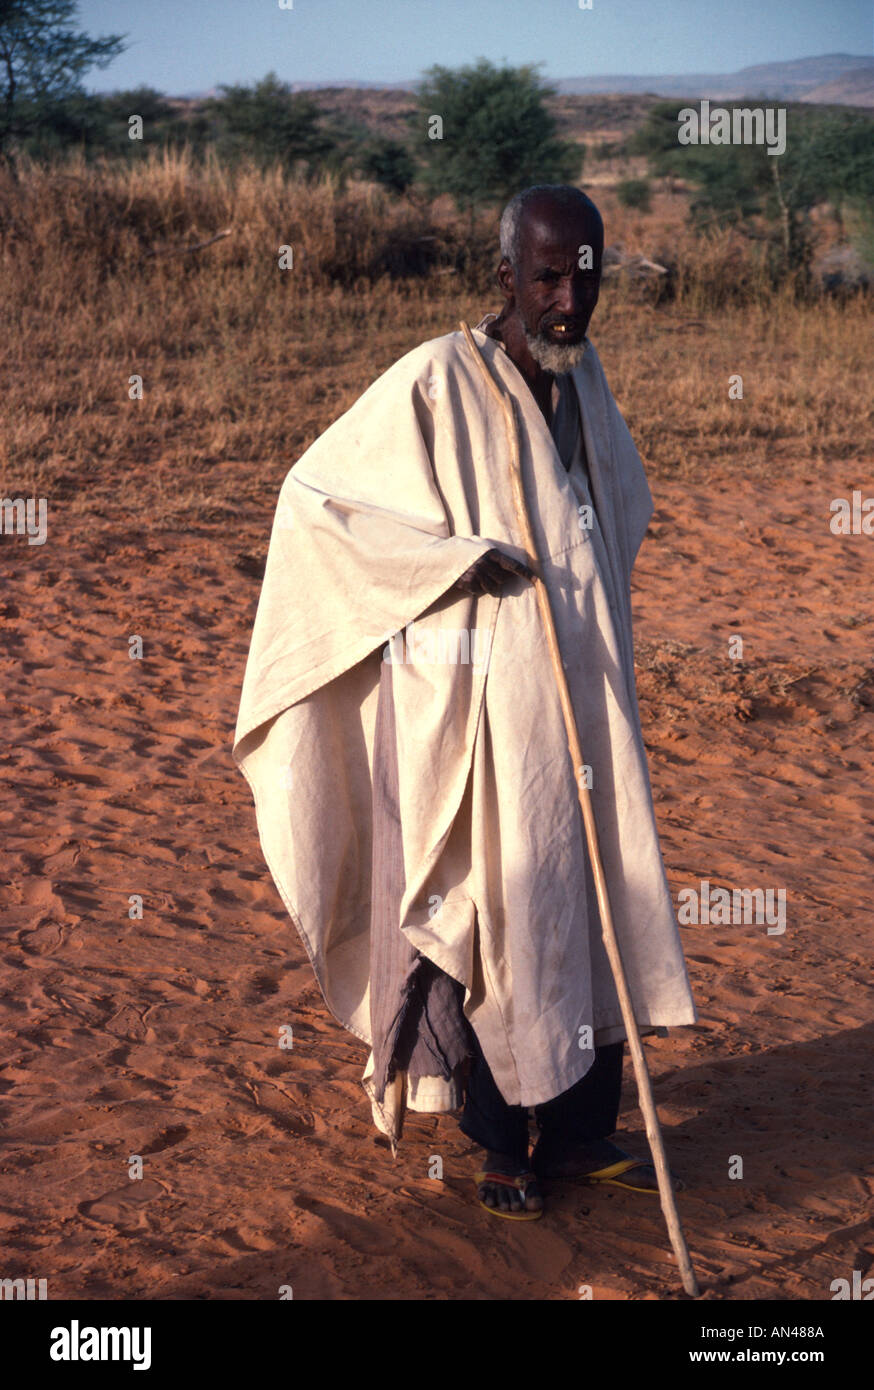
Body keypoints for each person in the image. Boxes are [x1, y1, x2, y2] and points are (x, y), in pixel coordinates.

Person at [233, 184, 697, 1223]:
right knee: (496, 899)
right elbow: (318, 503)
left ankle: (578, 1131)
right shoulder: (434, 381)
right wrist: (456, 564)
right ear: (504, 276)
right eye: (544, 274)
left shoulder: (585, 380)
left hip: (580, 700)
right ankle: (500, 1141)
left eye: (584, 272)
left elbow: (616, 505)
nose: (567, 295)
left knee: (583, 898)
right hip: (480, 708)